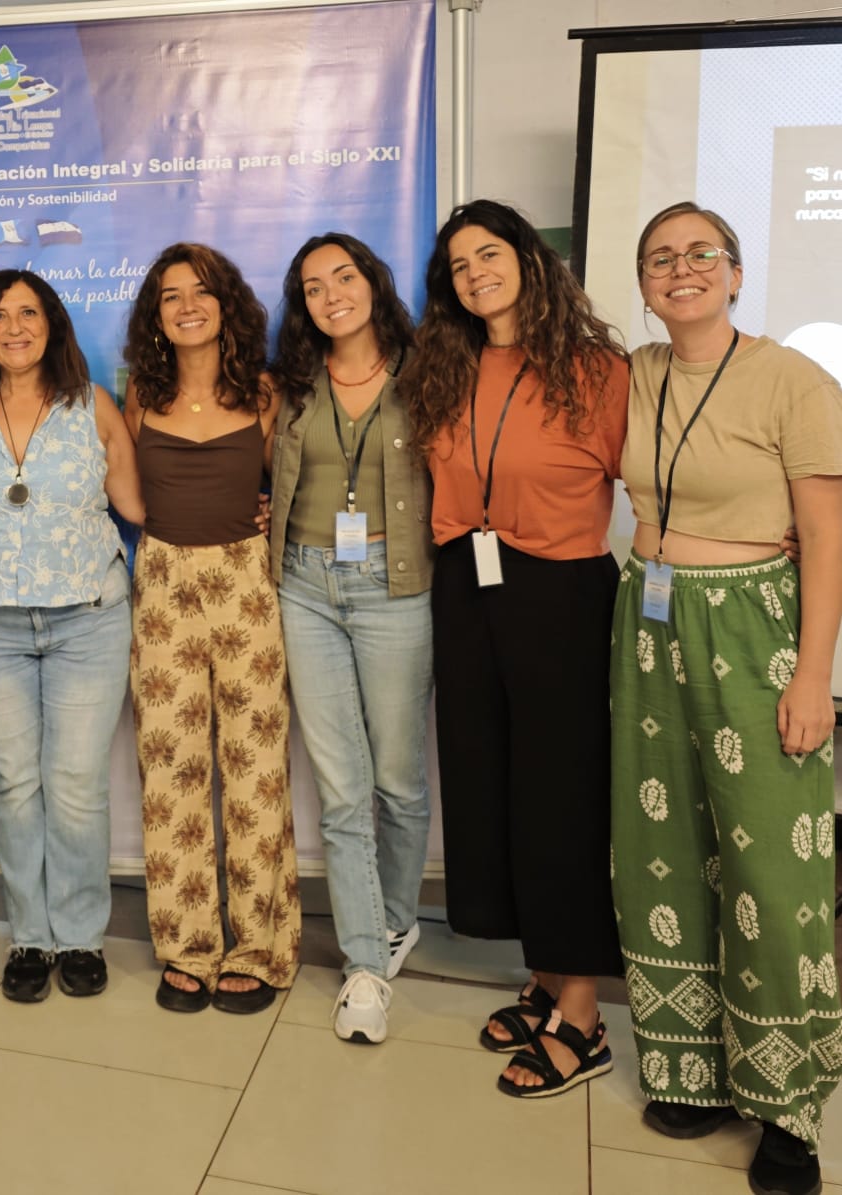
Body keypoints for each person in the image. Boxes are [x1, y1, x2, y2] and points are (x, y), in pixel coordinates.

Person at [610, 202, 842, 1195]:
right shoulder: (638, 373)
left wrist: (812, 678)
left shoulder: (792, 378)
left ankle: (788, 1108)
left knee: (769, 863)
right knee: (664, 846)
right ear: (645, 283)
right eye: (661, 258)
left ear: (737, 273)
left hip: (754, 630)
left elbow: (827, 538)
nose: (681, 269)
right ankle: (692, 1066)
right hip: (651, 626)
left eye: (701, 253)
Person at [399, 198, 628, 1096]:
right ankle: (539, 973)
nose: (474, 273)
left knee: (560, 793)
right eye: (458, 265)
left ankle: (582, 1008)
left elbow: (649, 477)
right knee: (489, 778)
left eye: (489, 254)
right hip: (467, 581)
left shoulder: (596, 370)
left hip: (560, 590)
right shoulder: (444, 364)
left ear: (530, 260)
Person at [0, 269, 142, 1003]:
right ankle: (31, 933)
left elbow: (138, 503)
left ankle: (82, 934)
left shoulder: (94, 406)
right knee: (18, 785)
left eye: (29, 312)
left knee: (77, 786)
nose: (15, 327)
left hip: (87, 616)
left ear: (52, 323)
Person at [121, 243, 298, 1015]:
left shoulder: (264, 393)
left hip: (245, 584)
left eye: (201, 291)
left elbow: (285, 489)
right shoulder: (138, 395)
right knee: (171, 773)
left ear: (228, 302)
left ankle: (258, 946)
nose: (186, 305)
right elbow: (126, 495)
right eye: (169, 296)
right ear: (154, 316)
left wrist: (262, 520)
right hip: (161, 583)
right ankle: (187, 944)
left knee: (257, 770)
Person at [266, 233, 434, 1043]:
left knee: (398, 779)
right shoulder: (291, 384)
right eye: (312, 285)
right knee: (342, 786)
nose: (331, 293)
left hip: (396, 585)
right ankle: (364, 963)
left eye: (345, 276)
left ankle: (398, 918)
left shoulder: (430, 369)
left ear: (373, 281)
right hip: (304, 584)